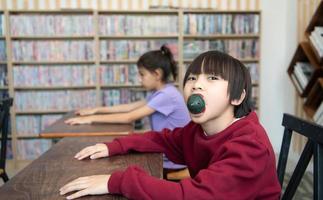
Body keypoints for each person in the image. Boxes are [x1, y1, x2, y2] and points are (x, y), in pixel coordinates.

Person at [60, 51, 281, 200]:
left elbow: (192, 196)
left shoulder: (249, 146)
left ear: (237, 97)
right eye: (192, 78)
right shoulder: (198, 131)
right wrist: (115, 146)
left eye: (212, 78)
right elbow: (162, 139)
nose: (197, 86)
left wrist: (116, 181)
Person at [65, 44, 190, 171]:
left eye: (142, 74)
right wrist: (96, 110)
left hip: (173, 161)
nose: (139, 79)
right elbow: (129, 107)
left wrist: (91, 119)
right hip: (168, 154)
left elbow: (128, 117)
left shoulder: (167, 95)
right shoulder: (162, 92)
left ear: (157, 74)